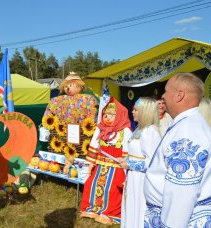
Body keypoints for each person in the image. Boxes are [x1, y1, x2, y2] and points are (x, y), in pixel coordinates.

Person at [144, 72, 211, 227]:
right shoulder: (189, 124)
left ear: (179, 95)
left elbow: (182, 193)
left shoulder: (187, 131)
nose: (163, 96)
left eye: (166, 91)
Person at [80, 97, 132, 225]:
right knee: (90, 185)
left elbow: (127, 152)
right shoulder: (100, 129)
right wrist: (90, 165)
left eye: (112, 115)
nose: (108, 117)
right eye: (105, 114)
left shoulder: (125, 131)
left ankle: (110, 213)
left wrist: (126, 173)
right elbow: (93, 147)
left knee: (112, 190)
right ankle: (93, 209)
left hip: (117, 169)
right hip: (99, 167)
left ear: (120, 115)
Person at [117, 97, 161, 228]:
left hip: (142, 181)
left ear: (145, 112)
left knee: (139, 209)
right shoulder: (139, 129)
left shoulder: (150, 132)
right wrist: (127, 160)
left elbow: (154, 163)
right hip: (134, 178)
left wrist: (130, 164)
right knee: (131, 207)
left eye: (135, 109)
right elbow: (138, 155)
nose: (132, 112)